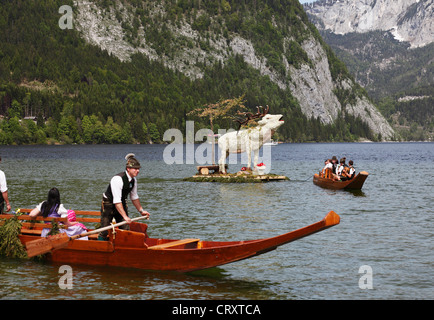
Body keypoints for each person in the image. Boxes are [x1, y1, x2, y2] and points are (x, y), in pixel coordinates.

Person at [98, 153, 150, 241]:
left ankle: (123, 248)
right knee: (105, 229)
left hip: (121, 202)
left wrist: (141, 211)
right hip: (109, 203)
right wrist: (125, 217)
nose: (138, 171)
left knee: (125, 228)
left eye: (138, 169)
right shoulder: (118, 179)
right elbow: (116, 201)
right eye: (135, 169)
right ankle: (100, 246)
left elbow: (134, 197)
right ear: (128, 169)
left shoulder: (134, 180)